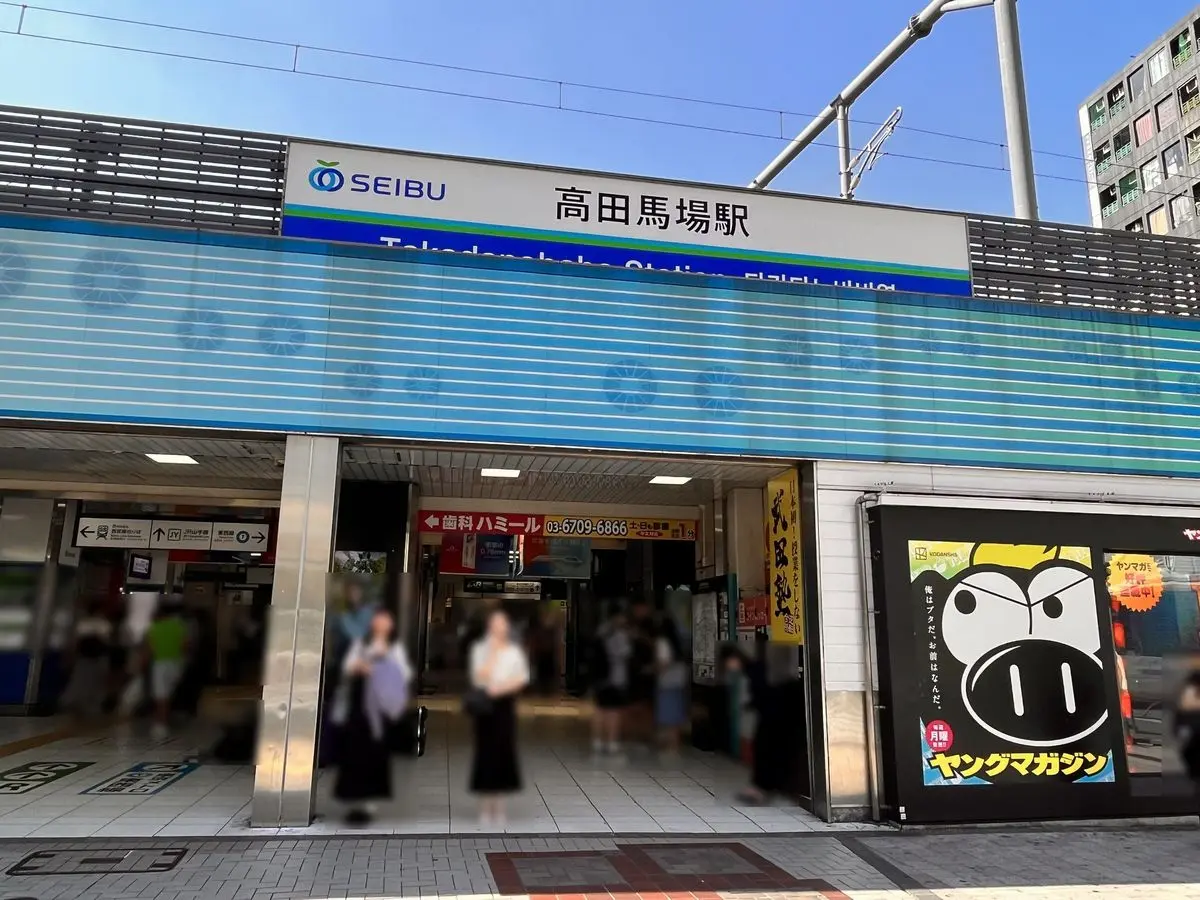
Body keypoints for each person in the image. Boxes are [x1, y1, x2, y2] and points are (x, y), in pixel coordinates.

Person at [333, 608, 412, 825]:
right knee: (354, 754)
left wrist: (384, 666)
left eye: (385, 621)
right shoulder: (361, 644)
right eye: (378, 621)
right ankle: (353, 800)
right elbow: (347, 667)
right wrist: (360, 666)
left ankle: (368, 803)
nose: (381, 625)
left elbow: (405, 674)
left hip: (381, 710)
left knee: (376, 755)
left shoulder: (395, 648)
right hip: (359, 709)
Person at [468, 609, 530, 826]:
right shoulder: (479, 649)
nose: (499, 628)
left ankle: (500, 808)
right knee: (485, 755)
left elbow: (522, 678)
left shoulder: (514, 651)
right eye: (495, 624)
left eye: (502, 624)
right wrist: (493, 654)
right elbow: (478, 676)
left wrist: (502, 689)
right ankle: (485, 807)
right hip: (485, 707)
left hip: (505, 706)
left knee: (504, 754)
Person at [144, 599, 189, 740]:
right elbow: (185, 646)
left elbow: (150, 648)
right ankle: (167, 720)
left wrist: (141, 663)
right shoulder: (179, 626)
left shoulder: (154, 628)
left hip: (160, 664)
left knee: (160, 696)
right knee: (169, 694)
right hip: (176, 663)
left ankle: (161, 725)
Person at [61, 600, 113, 718]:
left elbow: (76, 642)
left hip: (84, 656)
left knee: (80, 679)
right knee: (97, 681)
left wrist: (70, 656)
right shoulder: (104, 624)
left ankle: (73, 703)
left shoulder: (83, 624)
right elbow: (107, 641)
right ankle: (92, 705)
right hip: (99, 656)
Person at [592, 607, 632, 755]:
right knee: (614, 711)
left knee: (600, 710)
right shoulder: (620, 634)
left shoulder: (601, 631)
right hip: (615, 678)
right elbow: (626, 653)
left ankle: (598, 741)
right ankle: (611, 742)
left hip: (599, 677)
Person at [654, 618, 689, 754]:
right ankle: (675, 743)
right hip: (679, 681)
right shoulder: (679, 641)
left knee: (667, 714)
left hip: (666, 682)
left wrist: (653, 670)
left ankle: (670, 744)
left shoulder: (662, 642)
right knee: (676, 714)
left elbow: (663, 662)